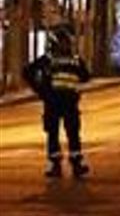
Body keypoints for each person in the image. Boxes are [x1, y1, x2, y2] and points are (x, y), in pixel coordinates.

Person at [22, 24, 91, 178]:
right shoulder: (75, 60)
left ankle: (57, 165)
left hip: (53, 102)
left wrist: (40, 89)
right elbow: (86, 76)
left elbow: (27, 71)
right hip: (68, 102)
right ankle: (76, 165)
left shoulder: (49, 59)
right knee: (71, 133)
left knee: (54, 133)